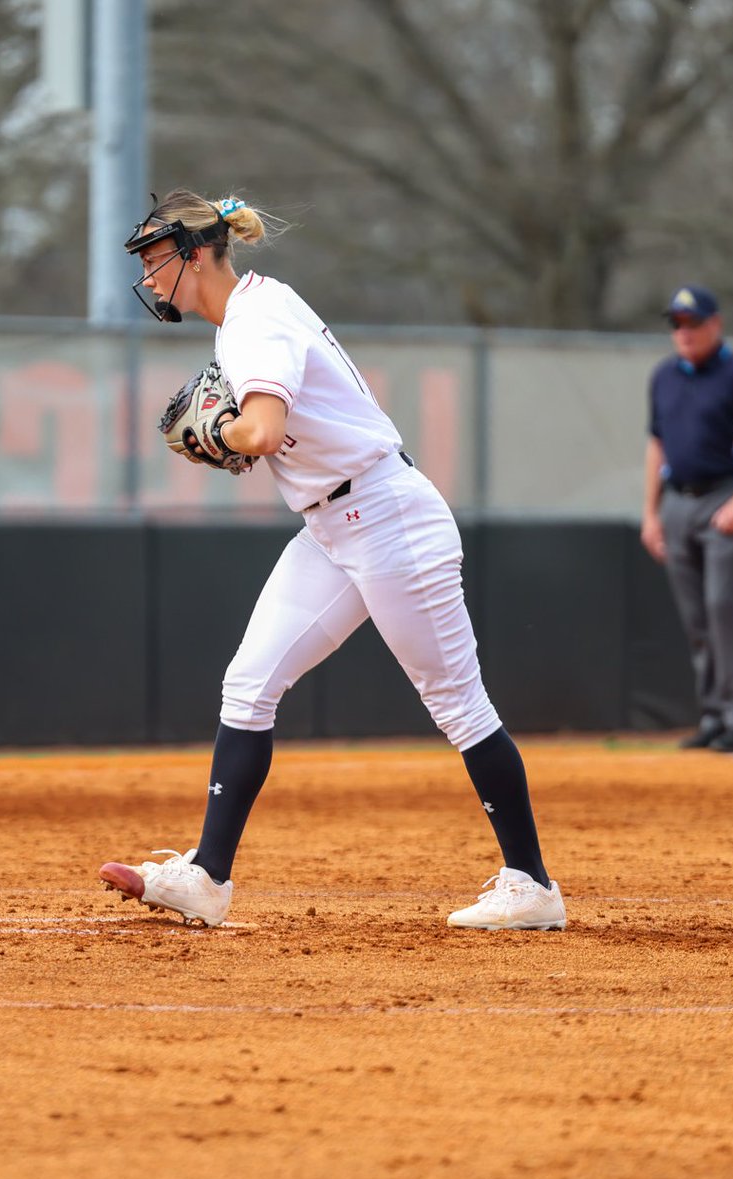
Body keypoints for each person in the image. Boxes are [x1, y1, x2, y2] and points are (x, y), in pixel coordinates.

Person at [98, 188, 565, 931]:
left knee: (457, 703)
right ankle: (207, 878)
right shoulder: (250, 314)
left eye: (156, 259)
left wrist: (218, 431)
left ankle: (532, 884)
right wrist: (229, 429)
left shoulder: (253, 320)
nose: (148, 276)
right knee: (248, 686)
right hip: (331, 525)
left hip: (387, 517)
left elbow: (260, 431)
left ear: (197, 254)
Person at [640, 286, 733, 753]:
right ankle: (714, 716)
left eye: (693, 322)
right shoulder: (664, 376)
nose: (684, 332)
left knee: (723, 605)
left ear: (715, 324)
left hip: (724, 497)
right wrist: (650, 514)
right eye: (676, 324)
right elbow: (657, 445)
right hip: (677, 503)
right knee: (696, 616)